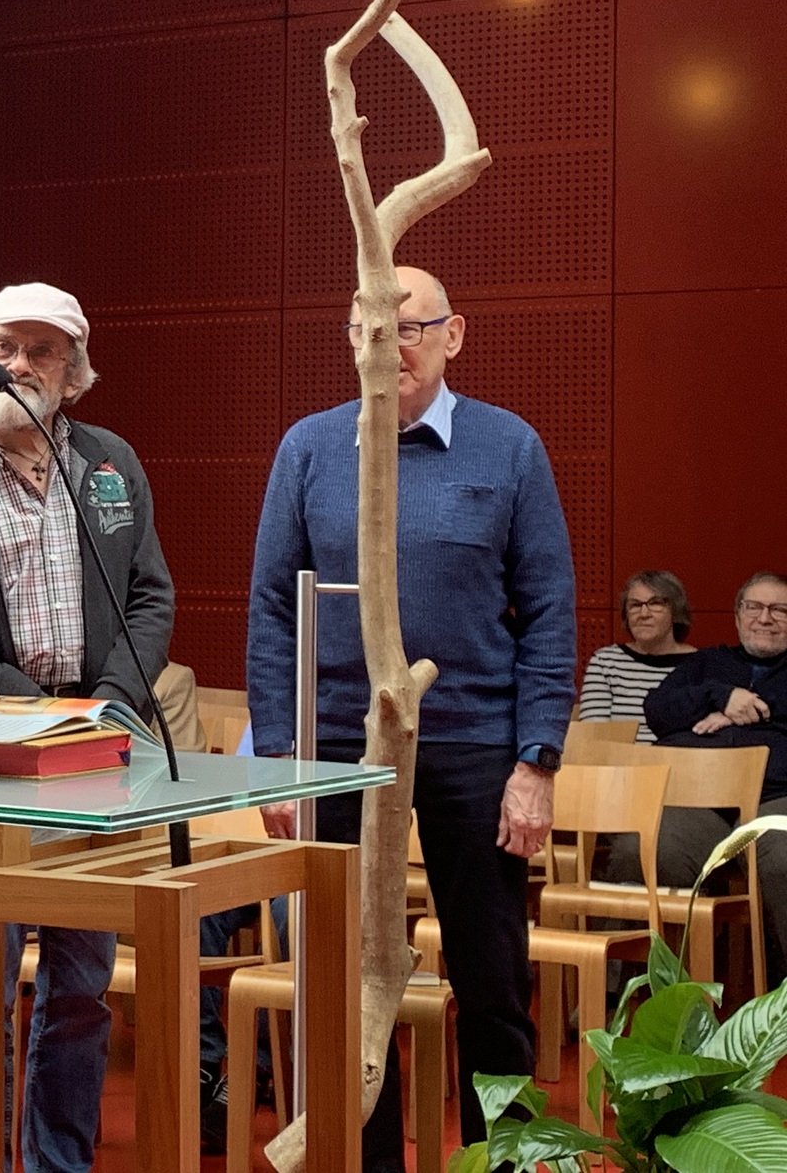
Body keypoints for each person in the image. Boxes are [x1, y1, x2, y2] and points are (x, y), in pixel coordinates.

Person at [248, 266, 575, 1166]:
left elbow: (550, 612)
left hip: (475, 744)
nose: (385, 345)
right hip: (339, 745)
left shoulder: (509, 448)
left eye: (408, 327)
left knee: (492, 978)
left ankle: (502, 1159)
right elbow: (273, 608)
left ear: (452, 335)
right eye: (366, 328)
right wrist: (277, 752)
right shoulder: (310, 448)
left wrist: (537, 761)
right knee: (349, 980)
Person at [0, 282, 174, 1173]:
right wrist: (33, 715)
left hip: (95, 752)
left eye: (42, 350)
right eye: (5, 346)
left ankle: (61, 1164)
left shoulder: (111, 463)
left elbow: (150, 598)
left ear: (74, 374)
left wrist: (107, 706)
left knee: (83, 988)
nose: (19, 364)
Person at [623, 572, 787, 983]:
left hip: (774, 800)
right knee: (642, 849)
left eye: (779, 610)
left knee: (785, 861)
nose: (765, 618)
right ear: (737, 615)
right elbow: (659, 710)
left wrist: (745, 712)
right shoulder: (707, 664)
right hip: (699, 803)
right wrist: (720, 696)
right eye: (754, 607)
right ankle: (632, 989)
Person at [579, 570, 694, 740]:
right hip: (616, 756)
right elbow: (592, 737)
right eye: (635, 605)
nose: (644, 614)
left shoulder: (700, 664)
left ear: (675, 611)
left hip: (680, 756)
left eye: (655, 603)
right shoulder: (605, 662)